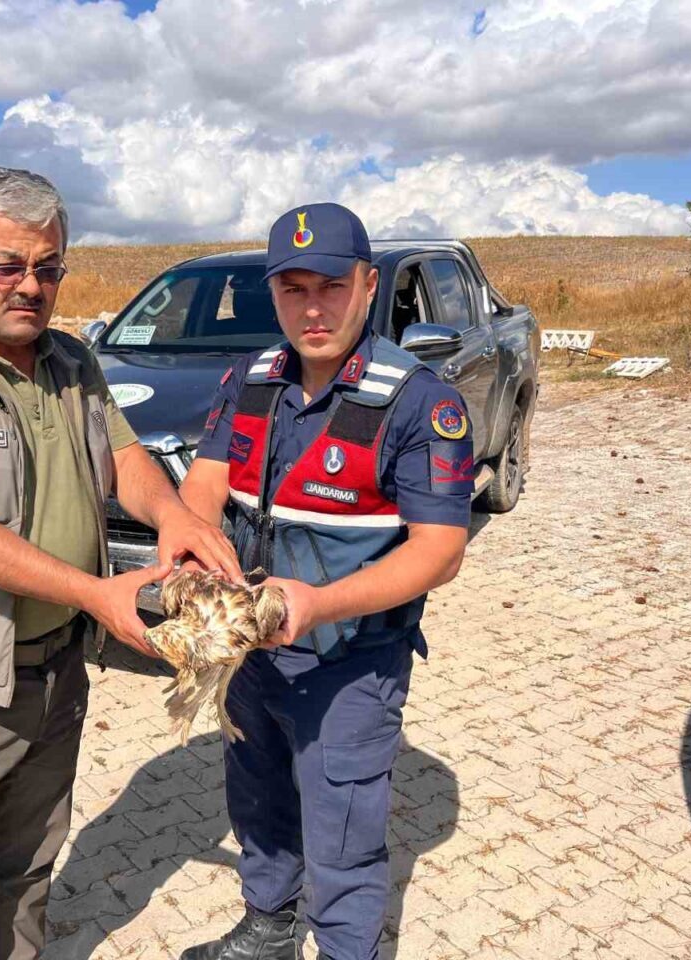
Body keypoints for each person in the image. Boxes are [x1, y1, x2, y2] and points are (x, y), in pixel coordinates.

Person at [0, 166, 241, 960]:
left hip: (56, 674)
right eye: (8, 265)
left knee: (26, 876)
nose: (29, 286)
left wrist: (174, 514)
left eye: (48, 267)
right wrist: (97, 594)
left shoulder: (75, 363)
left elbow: (126, 459)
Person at [176, 203, 474, 960]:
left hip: (348, 665)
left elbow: (439, 551)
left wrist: (321, 604)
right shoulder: (249, 381)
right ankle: (268, 930)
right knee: (259, 802)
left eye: (332, 286)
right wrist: (191, 558)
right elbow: (203, 488)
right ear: (272, 294)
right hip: (252, 654)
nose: (312, 308)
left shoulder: (418, 402)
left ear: (368, 286)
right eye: (293, 289)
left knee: (342, 843)